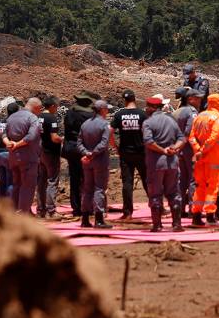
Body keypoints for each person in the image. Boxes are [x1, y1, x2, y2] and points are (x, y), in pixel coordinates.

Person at [142, 95, 188, 232]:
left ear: (152, 107)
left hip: (156, 163)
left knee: (155, 194)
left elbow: (149, 142)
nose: (146, 109)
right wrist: (174, 148)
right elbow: (182, 139)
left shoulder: (148, 123)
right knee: (174, 192)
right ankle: (176, 224)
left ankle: (157, 225)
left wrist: (162, 150)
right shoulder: (171, 121)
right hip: (172, 162)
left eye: (147, 106)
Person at [189, 93, 219, 226]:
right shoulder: (217, 118)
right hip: (212, 158)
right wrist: (203, 150)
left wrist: (197, 150)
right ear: (217, 103)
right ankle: (210, 215)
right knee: (212, 186)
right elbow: (214, 138)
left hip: (199, 158)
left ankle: (196, 215)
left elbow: (191, 137)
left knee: (200, 186)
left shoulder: (199, 117)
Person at [112, 90, 148, 220]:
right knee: (147, 180)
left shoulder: (119, 114)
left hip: (125, 153)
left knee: (127, 183)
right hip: (141, 152)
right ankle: (157, 207)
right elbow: (147, 131)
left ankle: (127, 212)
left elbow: (110, 130)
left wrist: (114, 145)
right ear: (135, 99)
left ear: (124, 100)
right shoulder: (142, 114)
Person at [77, 100, 113, 228]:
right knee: (99, 189)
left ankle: (85, 218)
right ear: (102, 110)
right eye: (106, 109)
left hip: (87, 161)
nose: (107, 111)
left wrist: (86, 153)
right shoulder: (104, 125)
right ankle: (99, 219)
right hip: (100, 160)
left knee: (87, 189)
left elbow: (79, 142)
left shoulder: (85, 124)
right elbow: (104, 144)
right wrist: (93, 153)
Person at [5, 97, 43, 214]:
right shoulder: (33, 118)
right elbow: (31, 137)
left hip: (13, 157)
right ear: (36, 107)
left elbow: (2, 133)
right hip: (28, 157)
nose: (40, 111)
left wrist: (8, 143)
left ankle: (14, 211)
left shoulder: (11, 117)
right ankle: (23, 214)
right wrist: (17, 144)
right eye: (40, 109)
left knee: (16, 184)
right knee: (27, 186)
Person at [63, 92, 96, 217]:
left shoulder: (69, 113)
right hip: (84, 149)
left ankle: (76, 207)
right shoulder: (89, 116)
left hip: (71, 149)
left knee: (74, 179)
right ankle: (87, 207)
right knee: (87, 179)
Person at [173, 88, 201, 216]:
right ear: (190, 99)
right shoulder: (192, 112)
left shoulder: (177, 112)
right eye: (198, 98)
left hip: (178, 149)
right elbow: (190, 131)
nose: (200, 100)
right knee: (192, 179)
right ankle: (193, 209)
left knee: (181, 180)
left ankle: (178, 207)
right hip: (189, 149)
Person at [36, 96, 63, 219]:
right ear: (52, 106)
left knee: (41, 181)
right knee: (52, 181)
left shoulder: (38, 117)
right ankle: (51, 210)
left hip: (40, 151)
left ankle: (40, 209)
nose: (57, 109)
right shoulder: (51, 118)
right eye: (56, 106)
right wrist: (63, 139)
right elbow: (54, 137)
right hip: (51, 152)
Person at [0, 101, 18, 200]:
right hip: (8, 153)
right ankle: (10, 206)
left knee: (2, 180)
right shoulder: (13, 123)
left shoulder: (2, 122)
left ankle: (1, 204)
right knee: (11, 181)